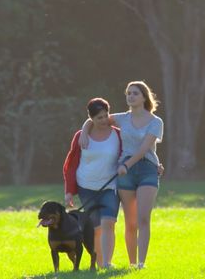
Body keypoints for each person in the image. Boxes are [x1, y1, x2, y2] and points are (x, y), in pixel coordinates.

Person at [79, 81, 163, 269]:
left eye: (135, 93)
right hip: (125, 173)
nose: (130, 96)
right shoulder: (121, 118)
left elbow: (144, 149)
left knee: (143, 218)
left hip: (147, 169)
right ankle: (132, 263)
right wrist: (84, 132)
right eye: (128, 93)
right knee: (130, 221)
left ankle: (141, 263)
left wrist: (126, 164)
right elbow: (94, 118)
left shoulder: (156, 122)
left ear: (144, 97)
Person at [63, 98, 122, 269]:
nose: (104, 120)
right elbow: (71, 163)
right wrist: (69, 191)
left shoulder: (118, 134)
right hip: (86, 187)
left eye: (106, 116)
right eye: (99, 118)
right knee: (96, 227)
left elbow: (133, 150)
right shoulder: (81, 136)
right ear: (91, 118)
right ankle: (99, 261)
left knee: (109, 222)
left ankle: (107, 263)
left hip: (110, 187)